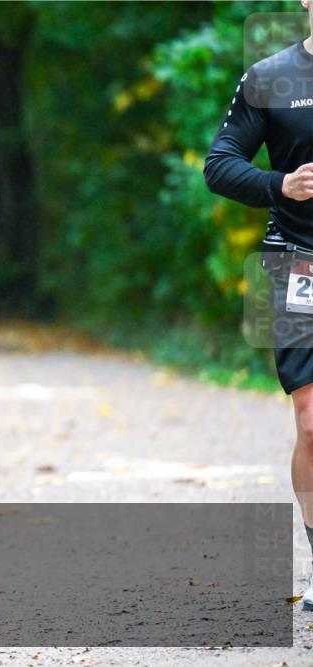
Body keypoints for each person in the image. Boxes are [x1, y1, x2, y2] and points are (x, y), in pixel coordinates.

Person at [204, 1, 313, 610]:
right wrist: (281, 184)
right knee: (312, 424)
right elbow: (219, 166)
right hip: (299, 262)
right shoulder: (272, 75)